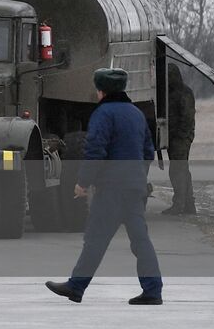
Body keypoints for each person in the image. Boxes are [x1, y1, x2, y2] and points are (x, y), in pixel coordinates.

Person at [46, 68, 163, 305]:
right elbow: (147, 151)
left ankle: (76, 286)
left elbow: (95, 150)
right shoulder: (136, 113)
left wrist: (83, 183)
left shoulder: (103, 114)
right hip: (135, 188)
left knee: (95, 239)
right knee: (141, 240)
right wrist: (138, 177)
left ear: (100, 90)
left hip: (111, 189)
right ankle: (153, 290)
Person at [162, 64, 196, 215]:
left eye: (170, 76)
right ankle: (188, 206)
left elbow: (187, 118)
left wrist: (179, 136)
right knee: (182, 170)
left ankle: (180, 205)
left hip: (180, 138)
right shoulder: (169, 92)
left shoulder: (184, 92)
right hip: (174, 137)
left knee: (177, 170)